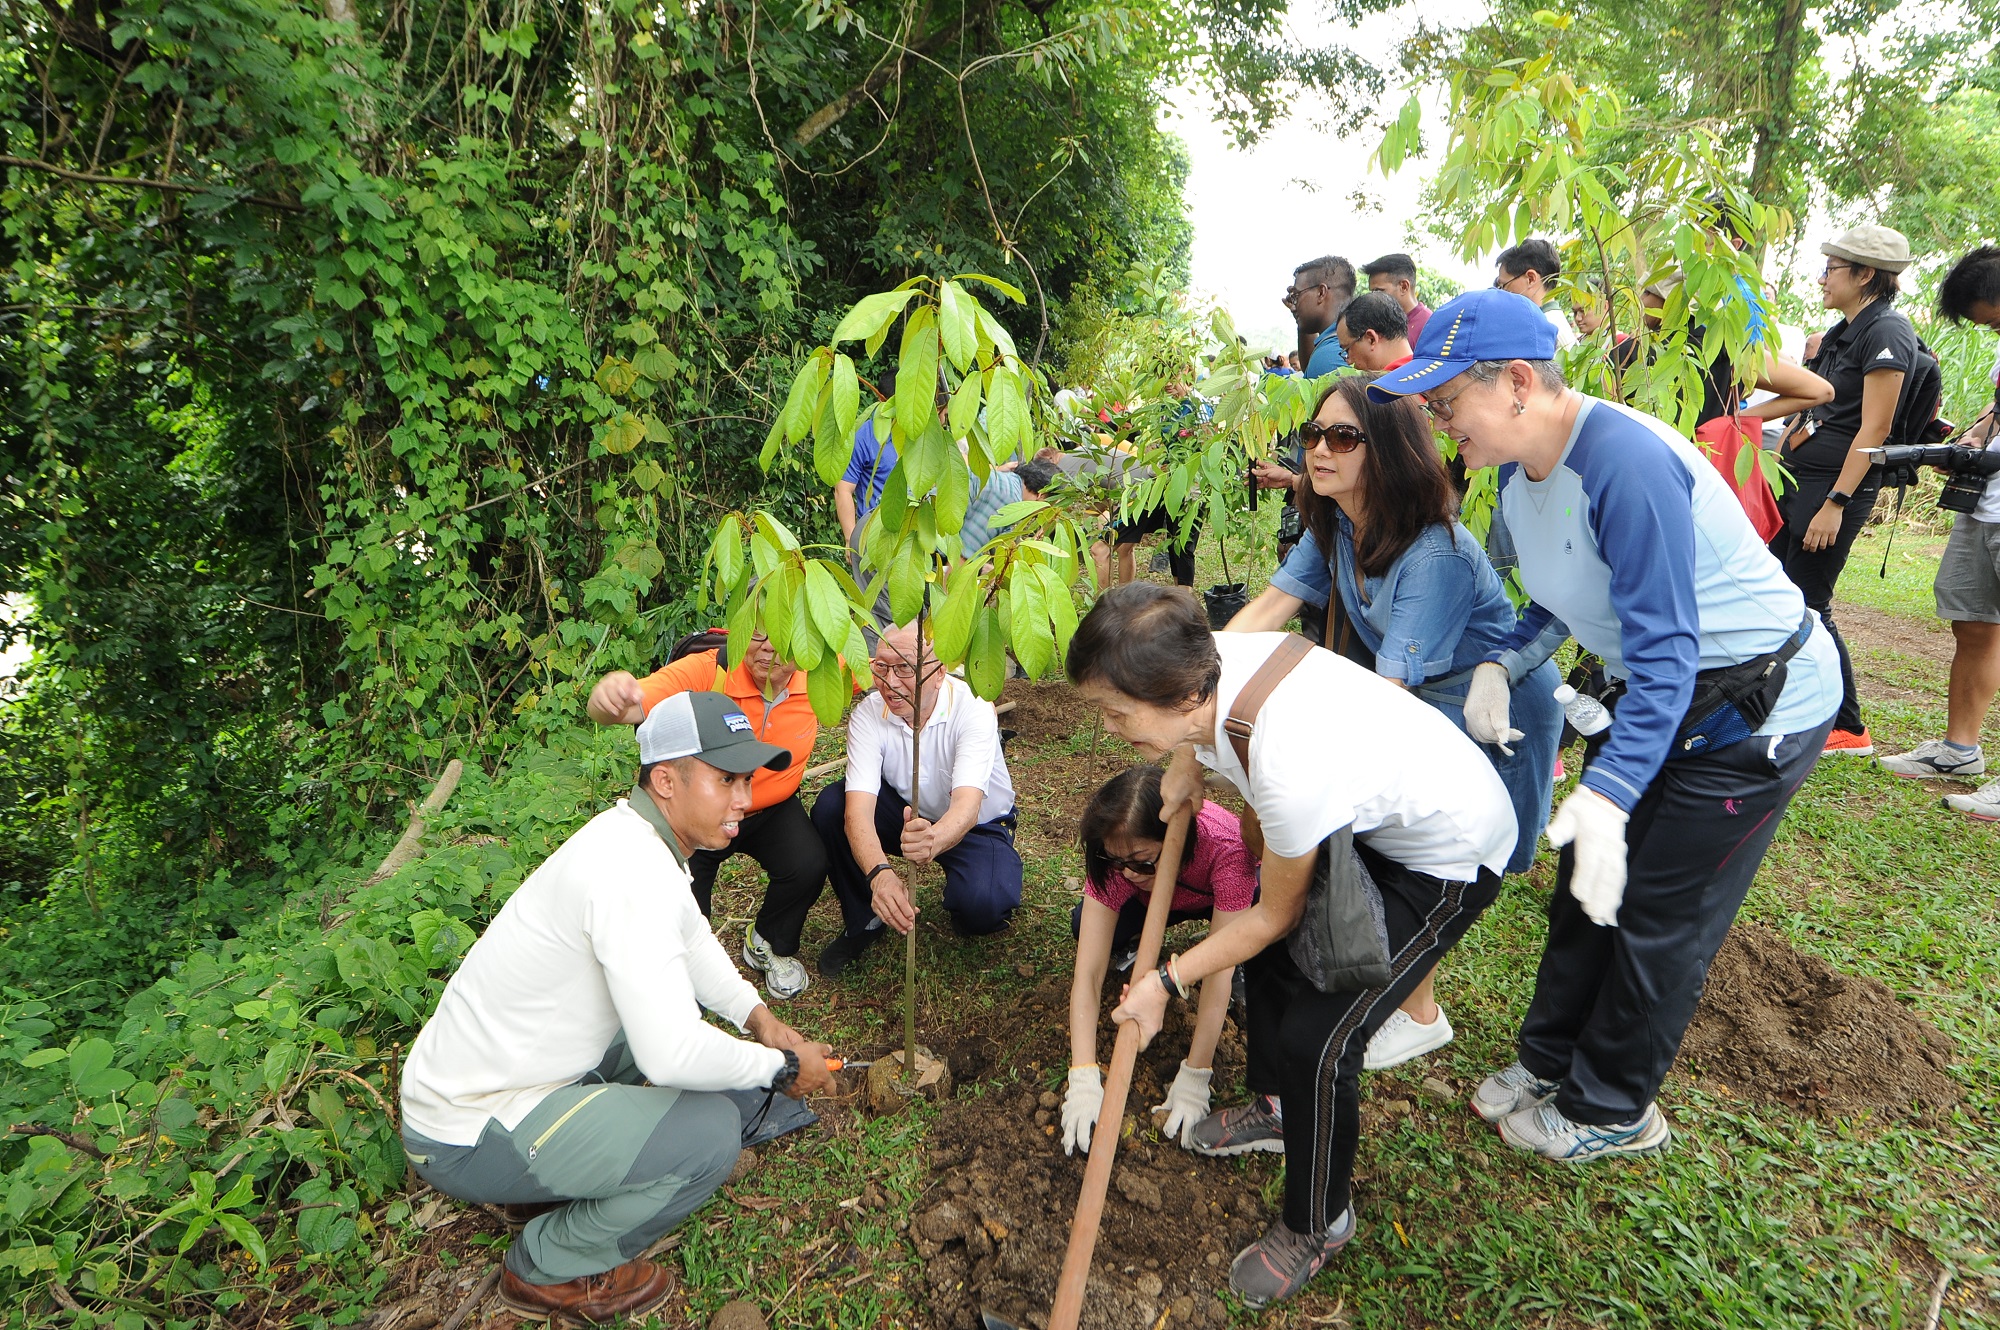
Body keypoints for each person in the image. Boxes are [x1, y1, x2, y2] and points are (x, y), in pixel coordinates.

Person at [1368, 288, 1839, 1165]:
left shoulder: (1624, 461)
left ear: (1516, 382)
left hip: (1751, 708)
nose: (1436, 426)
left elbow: (1667, 651)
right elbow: (1559, 602)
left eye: (1444, 404)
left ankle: (1615, 1106)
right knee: (1586, 892)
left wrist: (1611, 793)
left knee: (1660, 914)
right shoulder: (1517, 473)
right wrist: (1495, 663)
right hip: (1665, 704)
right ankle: (1549, 1065)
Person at [1072, 584, 1515, 1310]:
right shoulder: (1220, 660)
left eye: (1118, 713)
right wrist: (1185, 761)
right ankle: (1278, 1110)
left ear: (1185, 694)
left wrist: (1165, 979)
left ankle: (1317, 1223)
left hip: (1448, 854)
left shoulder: (1286, 759)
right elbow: (1270, 932)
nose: (1112, 729)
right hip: (1372, 818)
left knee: (1323, 1039)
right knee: (1274, 972)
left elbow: (1271, 915)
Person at [399, 693, 834, 1324]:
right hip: (466, 1130)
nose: (745, 799)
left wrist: (757, 1018)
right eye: (726, 780)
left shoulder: (637, 837)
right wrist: (781, 1067)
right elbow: (672, 1052)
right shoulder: (630, 874)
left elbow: (690, 939)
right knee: (709, 1135)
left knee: (653, 1038)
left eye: (747, 780)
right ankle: (547, 1263)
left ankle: (556, 1176)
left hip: (503, 1081)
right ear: (665, 779)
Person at [1226, 374, 1563, 1072]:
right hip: (1418, 697)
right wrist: (1206, 680)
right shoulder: (1339, 525)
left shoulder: (1430, 551)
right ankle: (1411, 1005)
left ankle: (1417, 1013)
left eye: (1343, 437)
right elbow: (1268, 608)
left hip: (1490, 707)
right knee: (1402, 848)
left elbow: (1384, 701)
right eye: (1311, 435)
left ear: (1384, 451)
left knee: (1439, 856)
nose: (1320, 451)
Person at [586, 633, 828, 999]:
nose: (768, 647)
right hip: (700, 814)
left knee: (807, 864)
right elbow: (628, 708)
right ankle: (686, 974)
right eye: (757, 634)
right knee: (684, 903)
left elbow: (885, 661)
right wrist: (610, 699)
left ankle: (767, 941)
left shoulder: (824, 671)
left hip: (772, 807)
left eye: (782, 635)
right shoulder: (710, 671)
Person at [1770, 224, 1922, 757]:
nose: (1821, 280)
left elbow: (1874, 429)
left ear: (1864, 275)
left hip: (1833, 490)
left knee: (1810, 604)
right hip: (1799, 480)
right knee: (1778, 594)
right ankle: (1789, 706)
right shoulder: (1842, 332)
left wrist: (1836, 503)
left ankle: (1848, 726)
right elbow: (1815, 407)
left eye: (1831, 270)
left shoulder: (1888, 332)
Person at [1061, 766, 1258, 1156]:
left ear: (1175, 841)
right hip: (1154, 902)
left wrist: (1196, 1072)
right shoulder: (1118, 857)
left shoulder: (1227, 848)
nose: (1128, 872)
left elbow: (1217, 972)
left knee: (1243, 950)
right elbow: (1088, 972)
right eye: (1118, 862)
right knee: (1086, 924)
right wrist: (1083, 1073)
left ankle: (1252, 967)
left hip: (1213, 894)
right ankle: (1134, 938)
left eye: (1142, 861)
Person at [809, 623, 1022, 974]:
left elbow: (968, 807)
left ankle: (966, 897)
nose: (890, 683)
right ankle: (865, 919)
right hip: (906, 810)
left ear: (938, 673)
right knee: (832, 807)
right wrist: (880, 874)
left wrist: (933, 841)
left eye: (905, 668)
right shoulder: (868, 713)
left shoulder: (973, 708)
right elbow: (858, 812)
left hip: (977, 826)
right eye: (881, 666)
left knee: (983, 906)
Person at [1878, 244, 2000, 821]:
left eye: (1992, 319)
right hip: (1983, 511)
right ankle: (1959, 751)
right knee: (1973, 628)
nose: (1990, 330)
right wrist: (1971, 442)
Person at [835, 366, 899, 559]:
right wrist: (851, 540)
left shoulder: (918, 435)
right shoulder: (864, 436)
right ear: (882, 400)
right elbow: (843, 490)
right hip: (874, 539)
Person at [1493, 238, 1577, 349]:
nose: (1502, 293)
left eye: (1504, 286)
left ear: (1531, 279)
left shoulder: (1541, 329)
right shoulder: (1554, 321)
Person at [1288, 254, 1356, 378]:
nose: (1294, 304)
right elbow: (1309, 365)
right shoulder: (1338, 347)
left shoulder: (1328, 357)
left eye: (1297, 295)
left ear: (1321, 293)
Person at [1334, 293, 1414, 373]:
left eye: (1347, 350)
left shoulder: (1386, 383)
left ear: (1371, 339)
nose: (1348, 361)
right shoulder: (1423, 370)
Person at [1362, 252, 1432, 344]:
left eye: (1379, 291)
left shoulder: (1429, 327)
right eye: (1372, 292)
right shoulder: (1380, 324)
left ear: (1404, 287)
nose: (1374, 298)